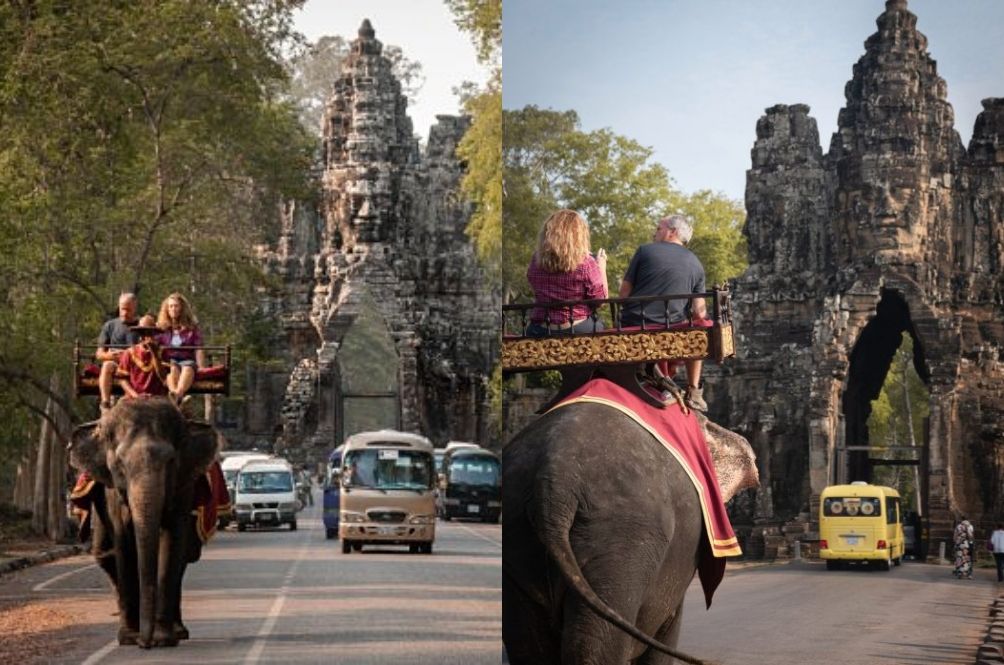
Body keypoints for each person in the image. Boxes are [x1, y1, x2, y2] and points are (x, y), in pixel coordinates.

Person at [619, 214, 709, 411]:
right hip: (671, 332)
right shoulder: (696, 263)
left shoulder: (645, 251)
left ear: (672, 232)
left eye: (658, 228)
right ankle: (693, 390)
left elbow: (624, 293)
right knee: (700, 328)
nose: (654, 233)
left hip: (635, 326)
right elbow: (700, 314)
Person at [525, 209, 608, 337]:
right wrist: (601, 266)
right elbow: (600, 301)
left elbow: (533, 284)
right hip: (579, 328)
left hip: (541, 329)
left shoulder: (536, 260)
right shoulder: (586, 262)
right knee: (600, 327)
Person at [156, 292, 205, 404]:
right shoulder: (161, 327)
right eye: (170, 306)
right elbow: (154, 345)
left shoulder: (192, 327)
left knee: (188, 367)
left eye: (176, 306)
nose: (173, 309)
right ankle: (178, 398)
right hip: (170, 361)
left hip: (186, 359)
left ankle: (177, 395)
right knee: (172, 369)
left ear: (182, 308)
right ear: (167, 309)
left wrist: (201, 367)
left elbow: (198, 348)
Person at [96, 293, 140, 413]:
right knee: (107, 365)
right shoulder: (110, 325)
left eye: (128, 309)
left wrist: (129, 355)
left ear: (135, 308)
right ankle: (105, 404)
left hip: (136, 365)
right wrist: (111, 356)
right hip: (116, 363)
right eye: (122, 309)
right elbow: (99, 354)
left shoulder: (142, 325)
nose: (125, 312)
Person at [117, 315, 170, 398]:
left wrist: (155, 354)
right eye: (142, 333)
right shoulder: (129, 352)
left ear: (154, 334)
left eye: (150, 333)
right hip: (133, 398)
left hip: (157, 398)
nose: (146, 337)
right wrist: (136, 395)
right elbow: (122, 379)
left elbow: (164, 377)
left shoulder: (162, 352)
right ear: (139, 335)